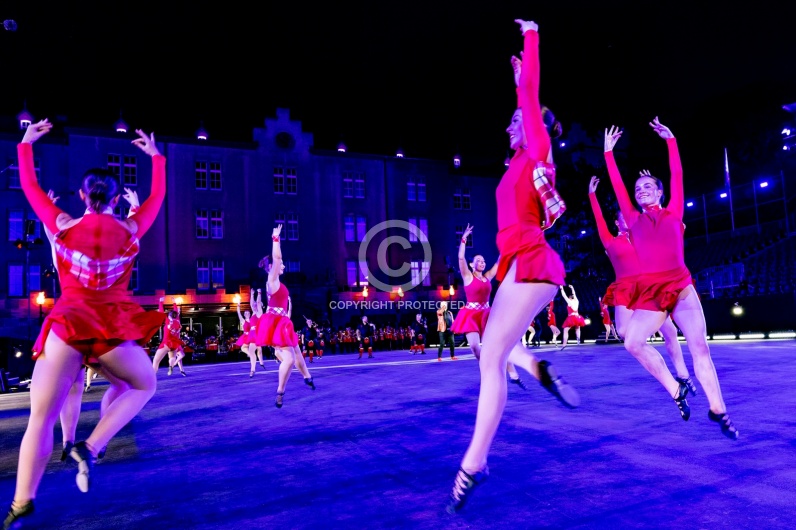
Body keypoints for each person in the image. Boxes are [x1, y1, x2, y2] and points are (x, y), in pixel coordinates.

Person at [4, 120, 167, 528]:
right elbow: (158, 197)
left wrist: (25, 144)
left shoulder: (62, 226)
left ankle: (21, 502)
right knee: (143, 384)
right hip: (112, 328)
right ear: (115, 198)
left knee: (40, 418)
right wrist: (156, 157)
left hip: (69, 325)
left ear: (82, 196)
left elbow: (30, 187)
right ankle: (90, 447)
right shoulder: (131, 228)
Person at [447, 20, 580, 514]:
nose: (507, 127)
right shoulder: (518, 162)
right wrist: (520, 83)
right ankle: (535, 368)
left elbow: (531, 98)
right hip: (517, 265)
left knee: (491, 359)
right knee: (492, 357)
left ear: (532, 123)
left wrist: (532, 37)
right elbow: (525, 101)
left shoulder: (538, 149)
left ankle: (474, 463)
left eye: (514, 120)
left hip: (533, 262)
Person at [604, 118, 738, 439]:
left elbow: (677, 174)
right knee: (632, 342)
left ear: (660, 192)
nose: (641, 190)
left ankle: (718, 409)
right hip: (652, 293)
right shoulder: (632, 219)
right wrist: (608, 153)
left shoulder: (674, 211)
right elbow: (618, 186)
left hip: (681, 288)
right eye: (638, 189)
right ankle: (675, 389)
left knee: (699, 348)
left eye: (648, 186)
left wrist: (671, 141)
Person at [588, 176, 696, 390]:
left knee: (670, 333)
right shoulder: (611, 241)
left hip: (650, 288)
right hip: (627, 290)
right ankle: (660, 366)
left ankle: (683, 376)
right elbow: (599, 220)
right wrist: (592, 196)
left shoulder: (644, 233)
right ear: (617, 222)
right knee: (623, 332)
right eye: (623, 217)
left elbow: (663, 219)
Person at [451, 224, 527, 388]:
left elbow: (499, 262)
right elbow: (461, 258)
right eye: (478, 261)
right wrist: (463, 239)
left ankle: (513, 375)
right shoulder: (467, 276)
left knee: (499, 345)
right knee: (474, 347)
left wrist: (507, 245)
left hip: (487, 314)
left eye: (483, 260)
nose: (482, 262)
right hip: (471, 315)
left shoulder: (487, 277)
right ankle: (487, 370)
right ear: (472, 265)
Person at [255, 225, 315, 408]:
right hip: (276, 323)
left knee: (297, 353)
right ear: (271, 268)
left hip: (282, 321)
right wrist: (275, 238)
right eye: (280, 265)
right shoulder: (272, 279)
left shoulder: (276, 281)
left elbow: (278, 260)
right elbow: (277, 257)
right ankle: (280, 391)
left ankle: (307, 377)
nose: (283, 265)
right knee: (289, 359)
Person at [152, 297, 186, 376]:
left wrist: (161, 302)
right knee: (172, 357)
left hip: (166, 343)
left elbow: (161, 313)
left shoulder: (168, 321)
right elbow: (176, 311)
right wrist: (174, 303)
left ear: (169, 316)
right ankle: (171, 366)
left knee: (156, 360)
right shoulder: (178, 321)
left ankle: (152, 375)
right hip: (174, 344)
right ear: (176, 315)